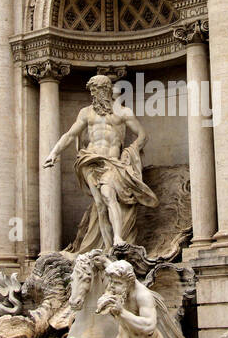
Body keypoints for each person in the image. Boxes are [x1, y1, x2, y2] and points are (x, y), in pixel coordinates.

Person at [44, 73, 157, 252]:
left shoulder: (123, 112)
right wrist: (54, 152)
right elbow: (71, 134)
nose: (94, 95)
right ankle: (107, 248)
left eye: (97, 91)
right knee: (99, 205)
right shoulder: (86, 112)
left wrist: (130, 152)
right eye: (92, 92)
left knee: (108, 194)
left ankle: (118, 237)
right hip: (90, 160)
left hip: (112, 161)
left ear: (107, 90)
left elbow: (143, 135)